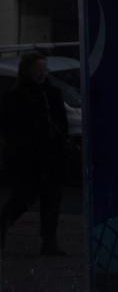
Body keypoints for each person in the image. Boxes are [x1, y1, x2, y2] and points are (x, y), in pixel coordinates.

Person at [0, 52, 68, 256]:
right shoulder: (16, 97)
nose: (42, 74)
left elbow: (61, 123)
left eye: (44, 70)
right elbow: (8, 128)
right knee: (23, 197)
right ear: (27, 71)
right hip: (28, 158)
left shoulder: (53, 93)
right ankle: (4, 225)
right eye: (38, 70)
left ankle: (49, 242)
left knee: (51, 200)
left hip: (50, 156)